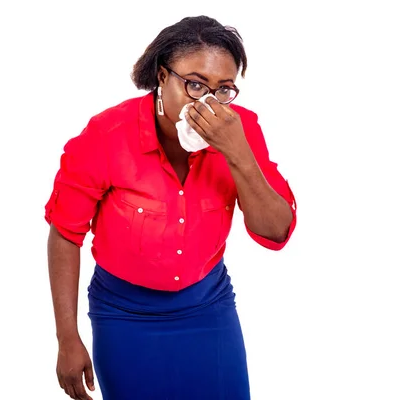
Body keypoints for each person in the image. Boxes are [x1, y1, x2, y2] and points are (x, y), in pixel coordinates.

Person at [44, 15, 297, 400]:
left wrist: (239, 155)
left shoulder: (239, 130)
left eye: (223, 89)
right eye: (195, 84)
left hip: (207, 308)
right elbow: (65, 233)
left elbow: (275, 231)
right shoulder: (107, 134)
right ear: (162, 77)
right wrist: (67, 338)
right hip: (124, 315)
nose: (208, 103)